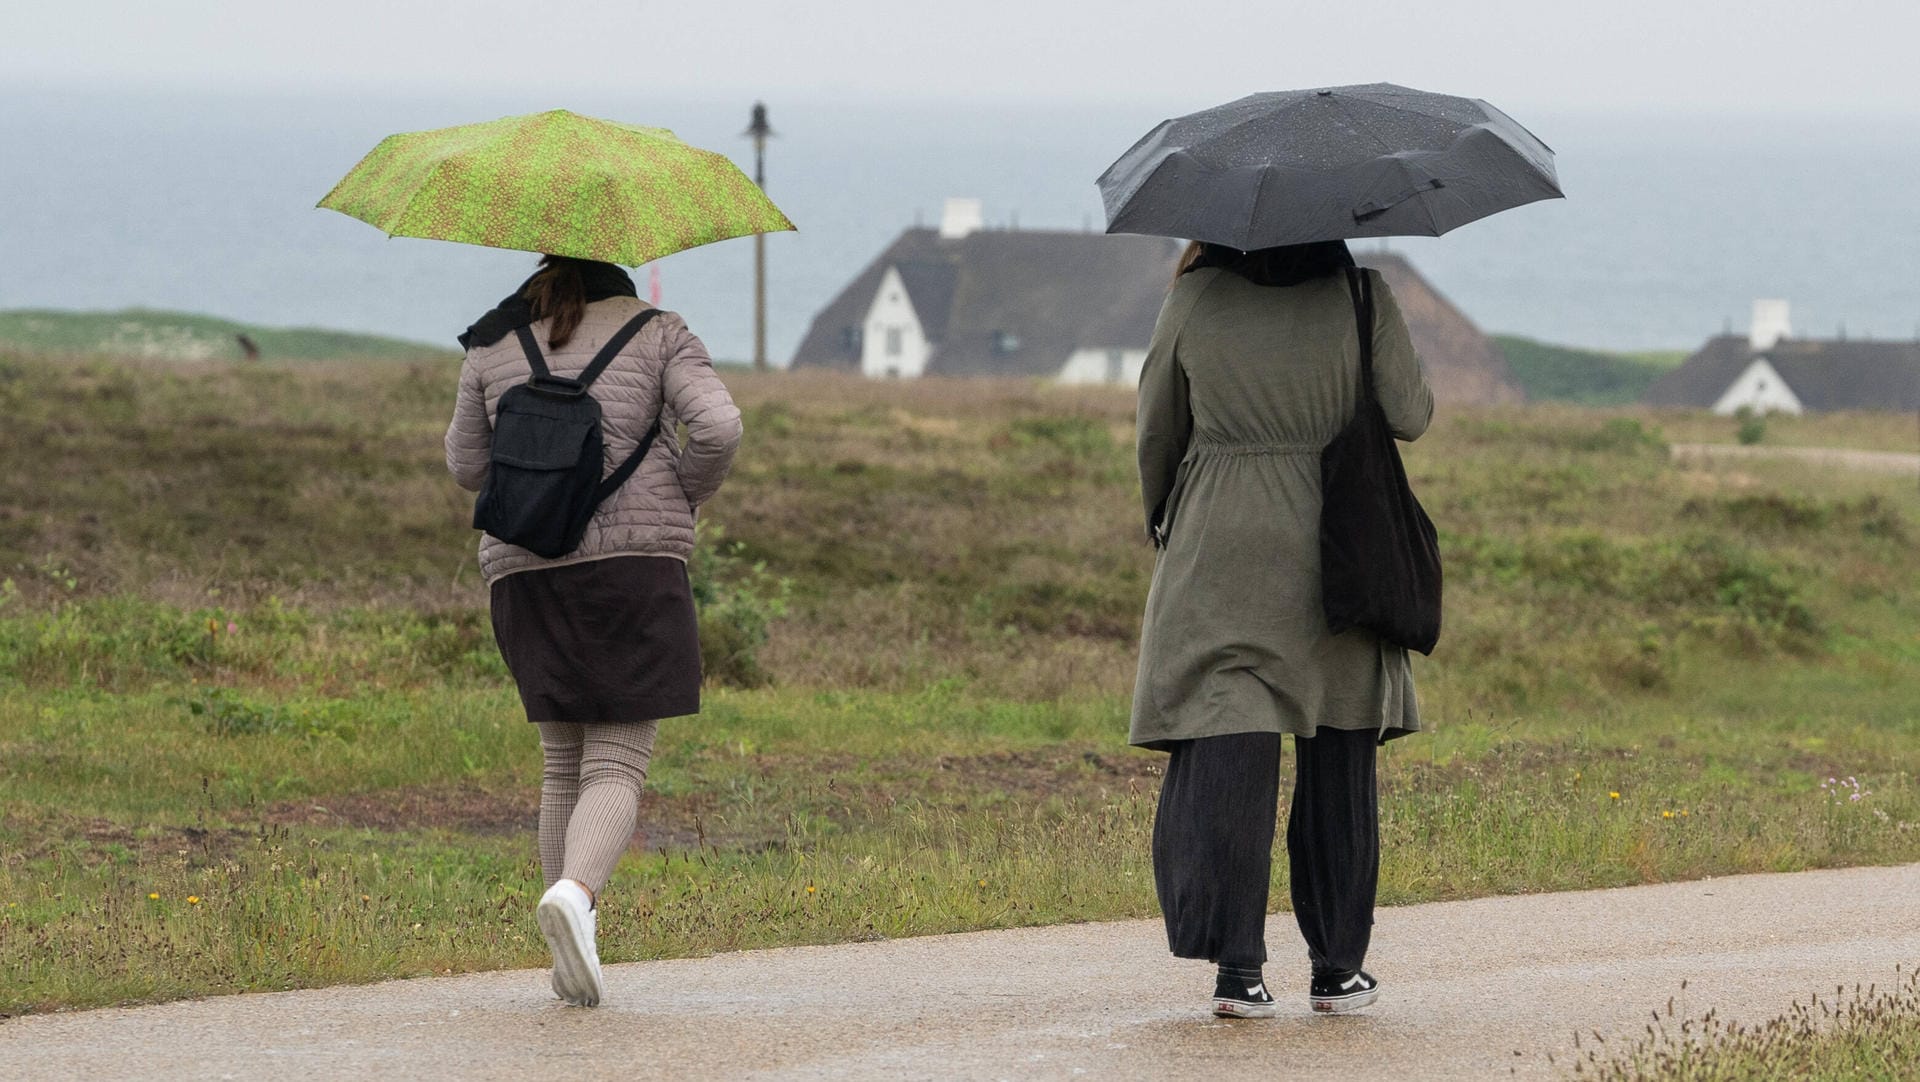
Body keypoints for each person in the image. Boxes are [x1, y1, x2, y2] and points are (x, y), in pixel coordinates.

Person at [1131, 240, 1433, 1019]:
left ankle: (1239, 973)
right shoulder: (1364, 297)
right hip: (1342, 541)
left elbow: (1157, 432)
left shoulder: (1195, 299)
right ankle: (1337, 969)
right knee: (1339, 743)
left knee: (1232, 729)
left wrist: (1163, 513)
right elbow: (1410, 415)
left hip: (1221, 537)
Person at [444, 254, 741, 1007]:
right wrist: (683, 487)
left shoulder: (491, 344)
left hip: (523, 569)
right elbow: (718, 425)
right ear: (617, 264)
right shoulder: (661, 332)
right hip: (631, 569)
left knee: (560, 761)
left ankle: (568, 943)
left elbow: (465, 466)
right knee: (616, 761)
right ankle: (575, 897)